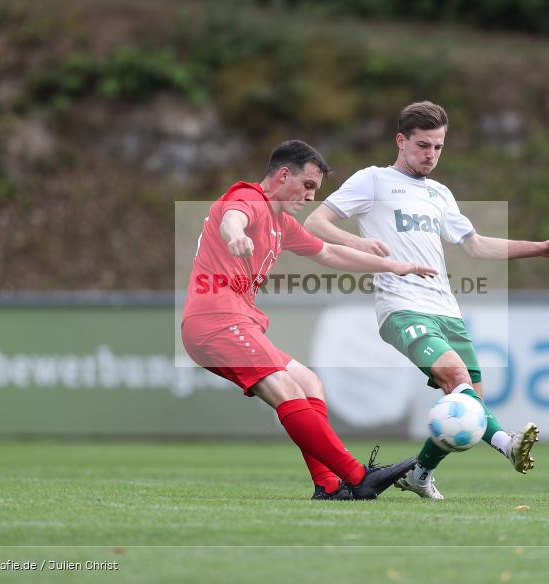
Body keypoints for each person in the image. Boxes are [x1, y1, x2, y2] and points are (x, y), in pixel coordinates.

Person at [304, 101, 549, 500]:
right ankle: (507, 444)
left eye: (437, 147)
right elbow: (316, 222)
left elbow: (478, 246)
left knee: (470, 405)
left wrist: (540, 248)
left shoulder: (439, 194)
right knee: (458, 381)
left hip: (447, 310)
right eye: (422, 145)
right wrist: (359, 242)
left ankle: (420, 473)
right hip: (401, 306)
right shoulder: (374, 180)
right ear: (401, 141)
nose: (430, 155)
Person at [181, 139, 438, 500]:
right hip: (216, 319)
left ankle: (329, 485)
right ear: (283, 174)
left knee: (309, 382)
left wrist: (394, 265)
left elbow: (330, 253)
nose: (311, 197)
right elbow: (232, 216)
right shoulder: (252, 198)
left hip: (233, 320)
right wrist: (235, 234)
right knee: (284, 388)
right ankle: (356, 476)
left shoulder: (280, 223)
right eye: (308, 186)